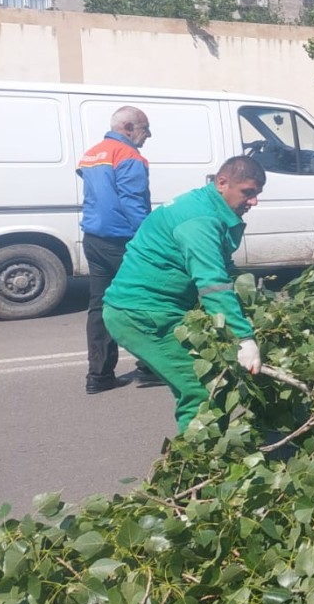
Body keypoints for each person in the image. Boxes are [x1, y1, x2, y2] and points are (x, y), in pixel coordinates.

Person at [102, 156, 266, 433]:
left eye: (257, 194)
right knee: (205, 390)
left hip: (156, 310)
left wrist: (259, 299)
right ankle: (199, 466)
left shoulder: (205, 205)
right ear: (222, 183)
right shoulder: (199, 221)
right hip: (142, 315)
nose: (254, 202)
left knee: (211, 380)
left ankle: (205, 454)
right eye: (248, 192)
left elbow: (223, 268)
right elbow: (212, 283)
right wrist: (244, 338)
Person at [76, 106, 164, 394]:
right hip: (123, 240)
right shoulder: (129, 156)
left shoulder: (93, 153)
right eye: (145, 128)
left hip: (94, 239)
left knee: (99, 305)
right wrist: (151, 240)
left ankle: (98, 376)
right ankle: (149, 369)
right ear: (128, 127)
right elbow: (133, 202)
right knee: (145, 300)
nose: (148, 135)